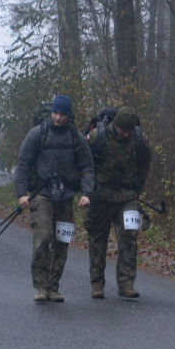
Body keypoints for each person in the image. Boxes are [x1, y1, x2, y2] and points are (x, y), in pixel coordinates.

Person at [14, 95, 95, 303]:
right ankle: (40, 286)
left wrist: (86, 193)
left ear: (69, 115)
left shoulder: (76, 138)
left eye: (62, 114)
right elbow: (23, 165)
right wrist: (21, 194)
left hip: (66, 196)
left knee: (62, 241)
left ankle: (53, 286)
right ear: (51, 113)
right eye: (55, 113)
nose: (58, 118)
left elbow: (87, 167)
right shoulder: (37, 134)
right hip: (41, 194)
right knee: (43, 236)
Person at [86, 106, 152, 299]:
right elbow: (85, 164)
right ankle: (97, 283)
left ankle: (126, 283)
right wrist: (88, 191)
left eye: (128, 131)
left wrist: (135, 190)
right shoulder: (98, 137)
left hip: (126, 196)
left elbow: (144, 168)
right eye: (122, 130)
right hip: (101, 196)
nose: (125, 134)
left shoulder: (140, 141)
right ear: (115, 125)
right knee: (97, 240)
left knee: (129, 237)